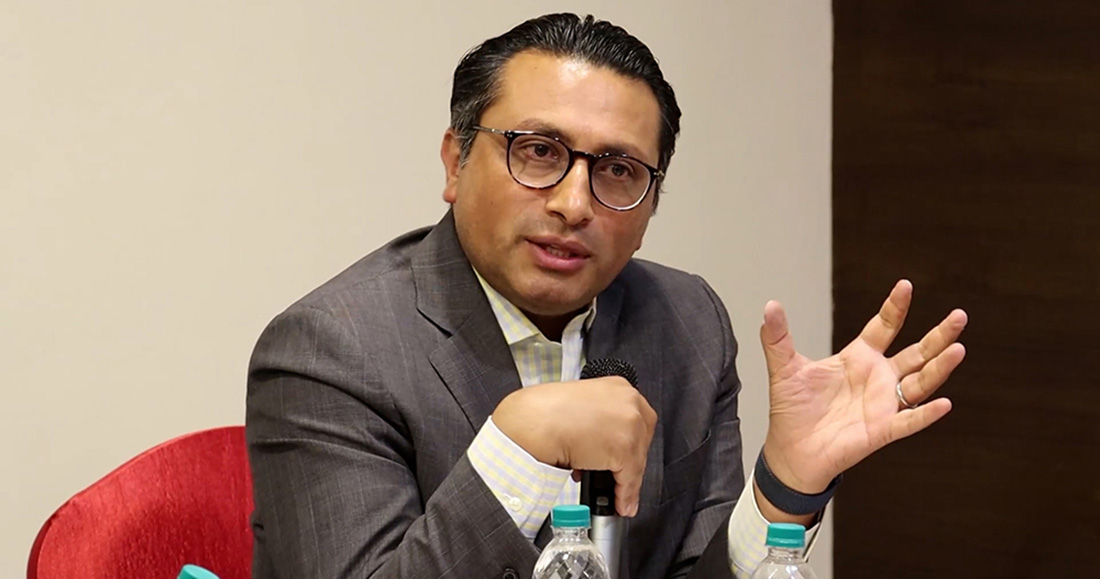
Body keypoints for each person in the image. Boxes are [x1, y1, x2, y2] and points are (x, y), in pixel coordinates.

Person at [245, 13, 967, 579]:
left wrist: (785, 486)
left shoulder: (687, 323)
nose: (573, 203)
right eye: (538, 152)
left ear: (650, 206)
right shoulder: (332, 348)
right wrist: (520, 443)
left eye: (618, 170)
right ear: (456, 162)